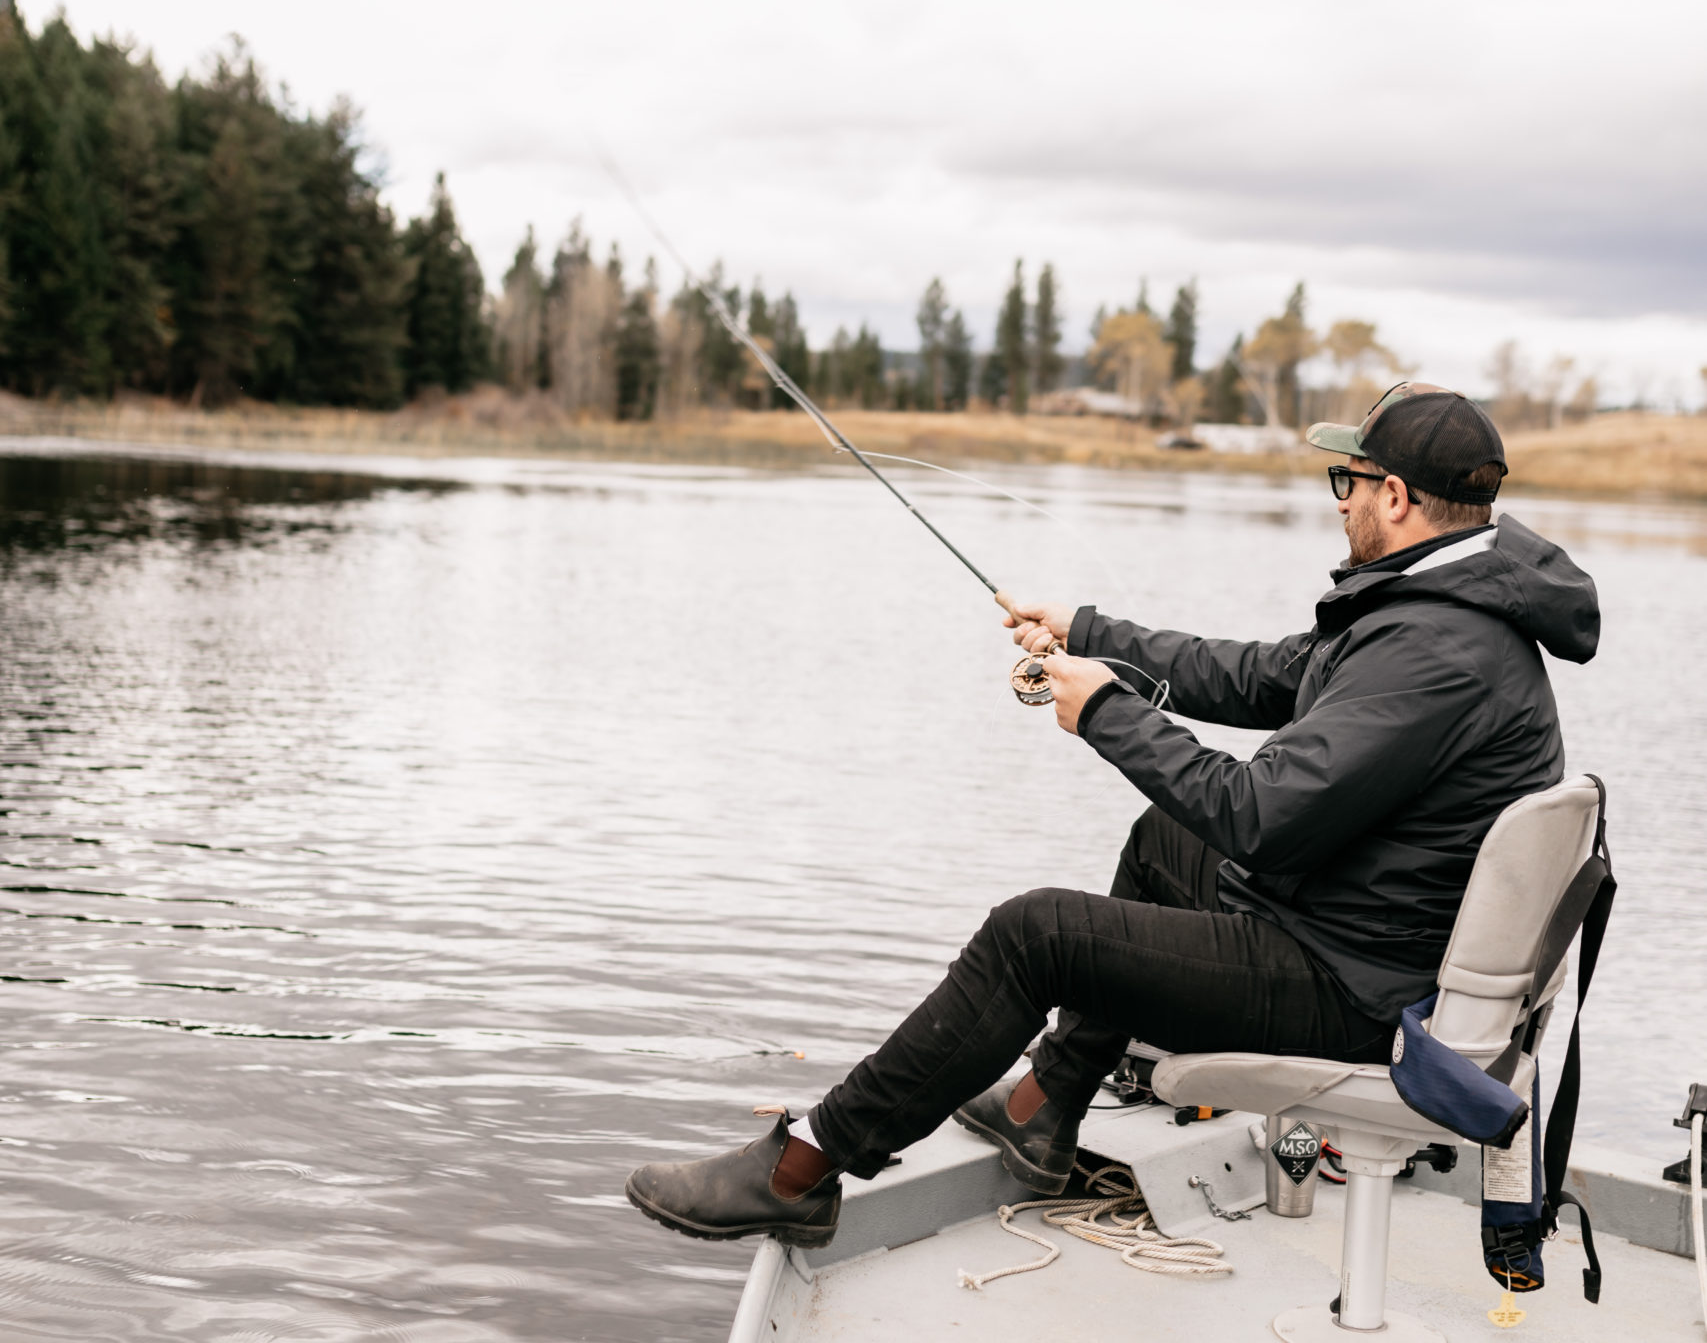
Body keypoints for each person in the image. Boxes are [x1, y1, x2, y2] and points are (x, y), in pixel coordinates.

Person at [625, 382, 1599, 1248]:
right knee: (1164, 841)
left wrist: (1104, 711)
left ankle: (803, 1166)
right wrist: (1085, 636)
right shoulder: (1439, 600)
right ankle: (1046, 1103)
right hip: (1369, 938)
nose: (1338, 500)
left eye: (1348, 480)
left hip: (1361, 988)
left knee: (1034, 935)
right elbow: (1266, 675)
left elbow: (1258, 818)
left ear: (1394, 496)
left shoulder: (1434, 650)